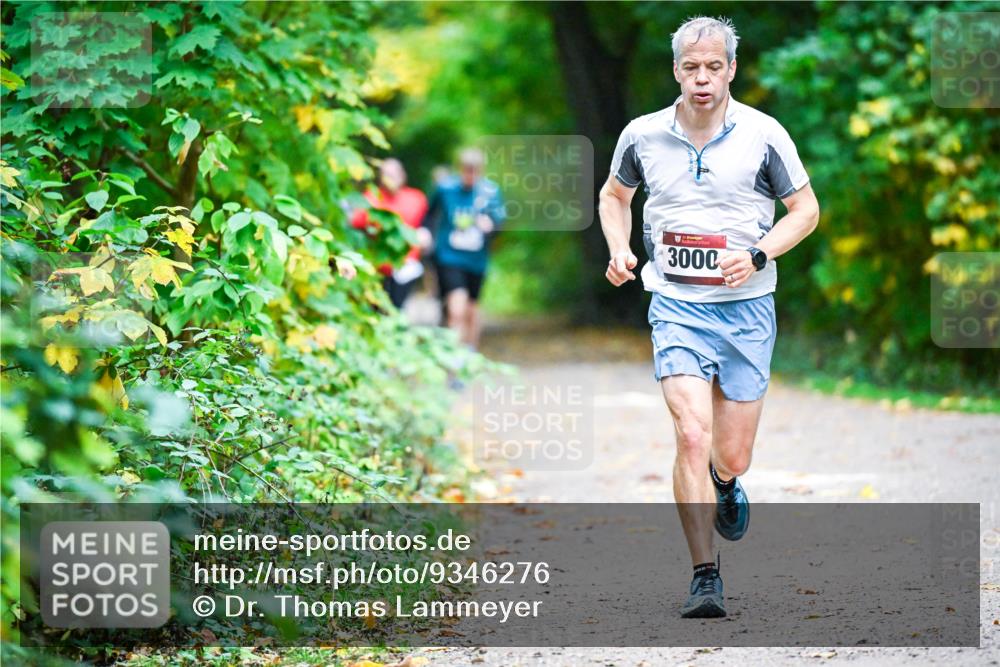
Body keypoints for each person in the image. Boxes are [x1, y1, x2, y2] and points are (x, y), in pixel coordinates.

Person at [599, 16, 820, 618]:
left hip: (746, 309)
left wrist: (758, 254)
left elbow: (805, 210)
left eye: (714, 67)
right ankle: (704, 575)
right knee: (691, 434)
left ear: (731, 70)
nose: (702, 78)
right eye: (692, 67)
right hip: (676, 305)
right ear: (676, 70)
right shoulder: (643, 136)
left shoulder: (764, 135)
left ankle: (725, 482)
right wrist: (619, 248)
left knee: (732, 454)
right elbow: (614, 196)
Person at [422, 148, 505, 349]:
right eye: (467, 170)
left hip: (476, 259)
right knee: (456, 307)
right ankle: (454, 355)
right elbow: (429, 215)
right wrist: (425, 233)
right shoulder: (445, 188)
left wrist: (491, 226)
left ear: (481, 170)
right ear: (460, 169)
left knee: (472, 307)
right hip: (449, 256)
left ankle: (470, 351)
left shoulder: (490, 192)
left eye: (475, 170)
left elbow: (500, 223)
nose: (471, 175)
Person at [350, 158, 430, 309]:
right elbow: (357, 224)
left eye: (394, 174)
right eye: (387, 174)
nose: (391, 179)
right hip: (377, 264)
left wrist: (425, 237)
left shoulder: (417, 198)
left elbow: (426, 226)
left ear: (403, 175)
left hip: (406, 264)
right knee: (375, 306)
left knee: (396, 306)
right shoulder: (371, 197)